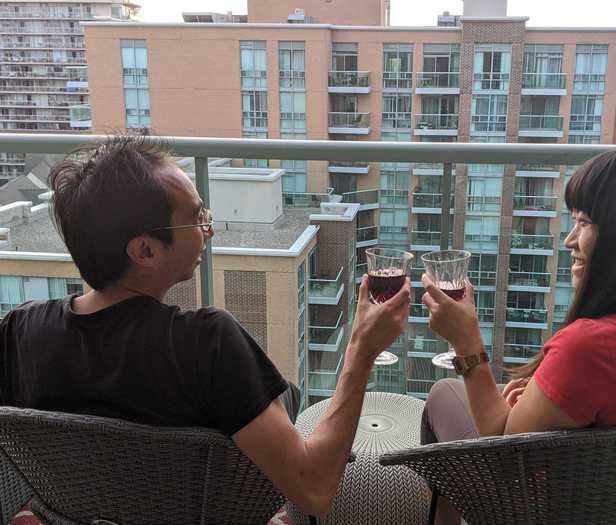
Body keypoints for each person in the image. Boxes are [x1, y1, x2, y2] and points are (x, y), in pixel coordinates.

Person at [0, 136, 411, 518]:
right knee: (287, 394)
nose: (209, 231)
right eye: (197, 220)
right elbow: (314, 490)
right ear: (144, 250)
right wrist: (361, 350)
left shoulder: (21, 330)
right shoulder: (206, 344)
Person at [419, 144, 616, 525]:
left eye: (584, 222)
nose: (569, 240)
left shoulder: (590, 348)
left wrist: (467, 342)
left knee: (442, 395)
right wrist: (545, 396)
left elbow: (504, 451)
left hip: (546, 508)